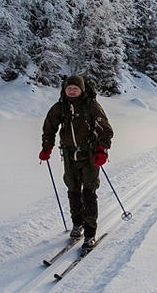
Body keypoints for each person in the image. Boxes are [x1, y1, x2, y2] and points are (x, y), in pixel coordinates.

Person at [39, 74, 114, 251]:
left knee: (88, 192)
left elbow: (106, 130)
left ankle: (90, 233)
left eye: (75, 88)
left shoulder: (92, 106)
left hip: (89, 156)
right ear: (64, 90)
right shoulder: (60, 107)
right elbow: (49, 128)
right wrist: (46, 147)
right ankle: (77, 224)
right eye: (69, 88)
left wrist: (102, 150)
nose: (72, 91)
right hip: (69, 155)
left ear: (82, 89)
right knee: (73, 190)